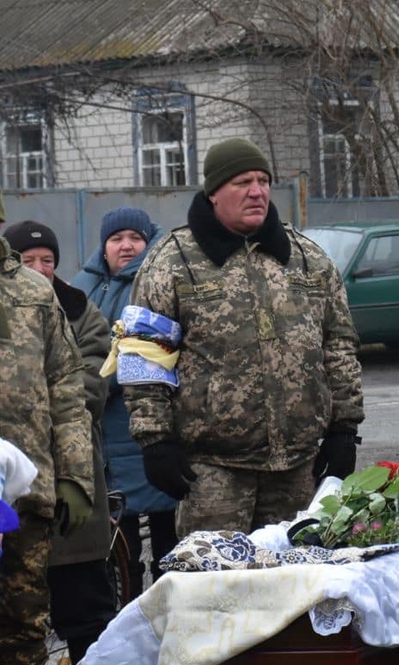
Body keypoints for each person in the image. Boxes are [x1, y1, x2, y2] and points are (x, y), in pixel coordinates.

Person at [126, 138, 364, 536]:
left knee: (296, 584)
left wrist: (344, 432)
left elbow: (339, 348)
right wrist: (155, 441)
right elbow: (144, 356)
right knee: (216, 590)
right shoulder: (172, 261)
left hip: (298, 469)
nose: (257, 191)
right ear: (214, 193)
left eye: (263, 180)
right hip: (213, 473)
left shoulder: (307, 258)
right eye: (242, 182)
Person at [2, 221, 114, 662]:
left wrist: (75, 477)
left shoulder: (33, 294)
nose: (40, 266)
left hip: (29, 499)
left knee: (24, 631)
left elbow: (69, 392)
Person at [71, 207, 178, 596]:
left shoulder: (160, 282)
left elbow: (148, 352)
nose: (126, 246)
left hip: (152, 428)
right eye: (116, 239)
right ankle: (129, 610)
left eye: (135, 237)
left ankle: (168, 608)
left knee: (169, 534)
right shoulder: (81, 286)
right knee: (121, 537)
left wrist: (96, 378)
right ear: (103, 246)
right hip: (105, 436)